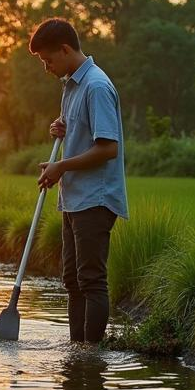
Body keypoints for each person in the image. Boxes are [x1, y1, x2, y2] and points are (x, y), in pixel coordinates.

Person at [29, 18, 128, 344]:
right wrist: (64, 127)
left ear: (65, 49)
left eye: (48, 59)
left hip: (95, 199)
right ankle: (77, 351)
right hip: (74, 198)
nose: (47, 67)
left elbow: (108, 147)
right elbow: (85, 131)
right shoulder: (72, 86)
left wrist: (61, 167)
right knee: (72, 280)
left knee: (91, 280)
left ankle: (91, 357)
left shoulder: (96, 86)